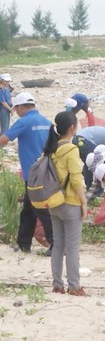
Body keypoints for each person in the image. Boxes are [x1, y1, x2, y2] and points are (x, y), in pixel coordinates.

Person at [0, 93, 53, 255]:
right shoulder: (46, 122)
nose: (16, 111)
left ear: (21, 107)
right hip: (48, 172)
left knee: (40, 210)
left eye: (16, 108)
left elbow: (4, 140)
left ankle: (56, 244)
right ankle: (23, 244)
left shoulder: (23, 122)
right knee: (29, 209)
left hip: (33, 174)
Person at [44, 112, 87, 296]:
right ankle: (74, 286)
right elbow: (76, 179)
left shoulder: (50, 150)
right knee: (72, 247)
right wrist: (84, 203)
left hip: (54, 203)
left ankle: (57, 284)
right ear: (72, 128)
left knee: (58, 245)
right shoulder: (71, 150)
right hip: (70, 202)